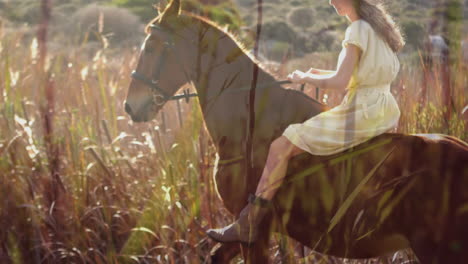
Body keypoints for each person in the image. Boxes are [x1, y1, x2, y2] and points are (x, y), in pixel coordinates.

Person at [206, 0, 406, 244]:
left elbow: (341, 81)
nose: (331, 2)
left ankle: (250, 220)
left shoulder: (357, 30)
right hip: (383, 110)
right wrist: (311, 74)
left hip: (360, 113)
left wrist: (308, 78)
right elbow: (355, 75)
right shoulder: (377, 30)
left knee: (281, 146)